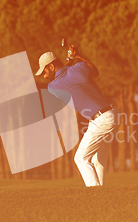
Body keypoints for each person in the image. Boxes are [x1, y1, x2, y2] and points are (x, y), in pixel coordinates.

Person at [35, 46, 119, 187]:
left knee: (81, 158)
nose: (44, 76)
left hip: (101, 120)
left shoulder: (53, 86)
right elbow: (94, 71)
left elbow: (63, 70)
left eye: (44, 71)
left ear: (50, 66)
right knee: (98, 160)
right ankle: (102, 194)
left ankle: (94, 193)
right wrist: (77, 57)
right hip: (113, 113)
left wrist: (69, 59)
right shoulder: (80, 67)